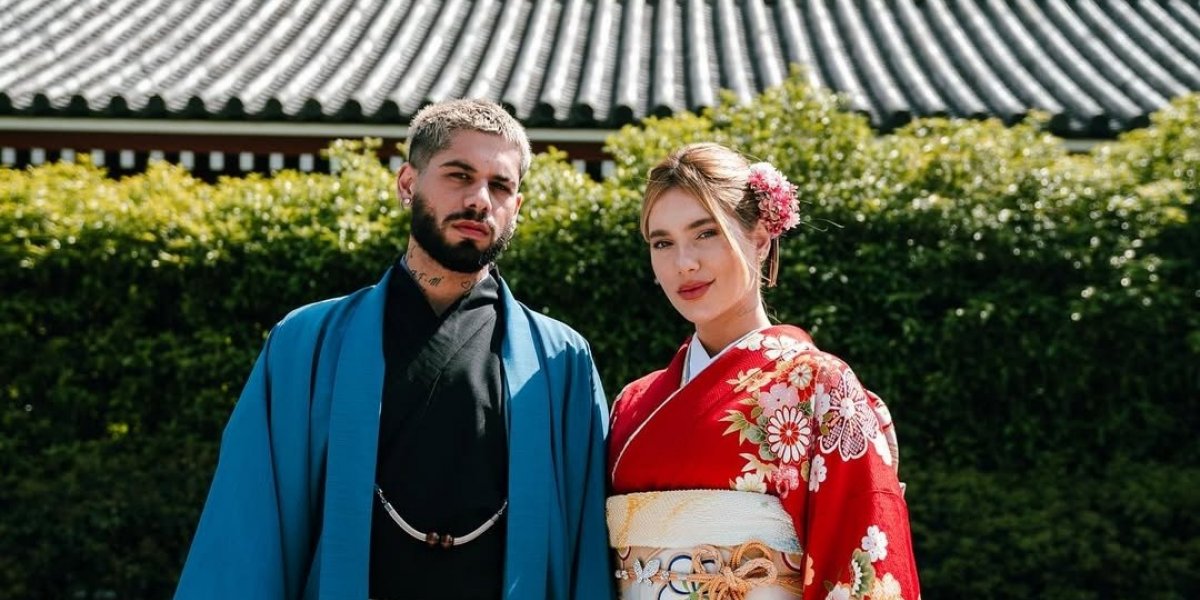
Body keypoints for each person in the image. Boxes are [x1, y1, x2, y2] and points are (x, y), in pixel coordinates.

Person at [174, 99, 614, 600]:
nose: (479, 200)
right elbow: (245, 528)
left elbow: (588, 549)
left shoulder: (561, 361)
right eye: (459, 175)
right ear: (408, 184)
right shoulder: (304, 343)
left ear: (516, 207)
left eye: (500, 186)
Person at [606, 143, 920, 600]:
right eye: (662, 243)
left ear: (759, 238)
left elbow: (862, 565)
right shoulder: (632, 403)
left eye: (706, 232)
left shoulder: (820, 388)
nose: (684, 263)